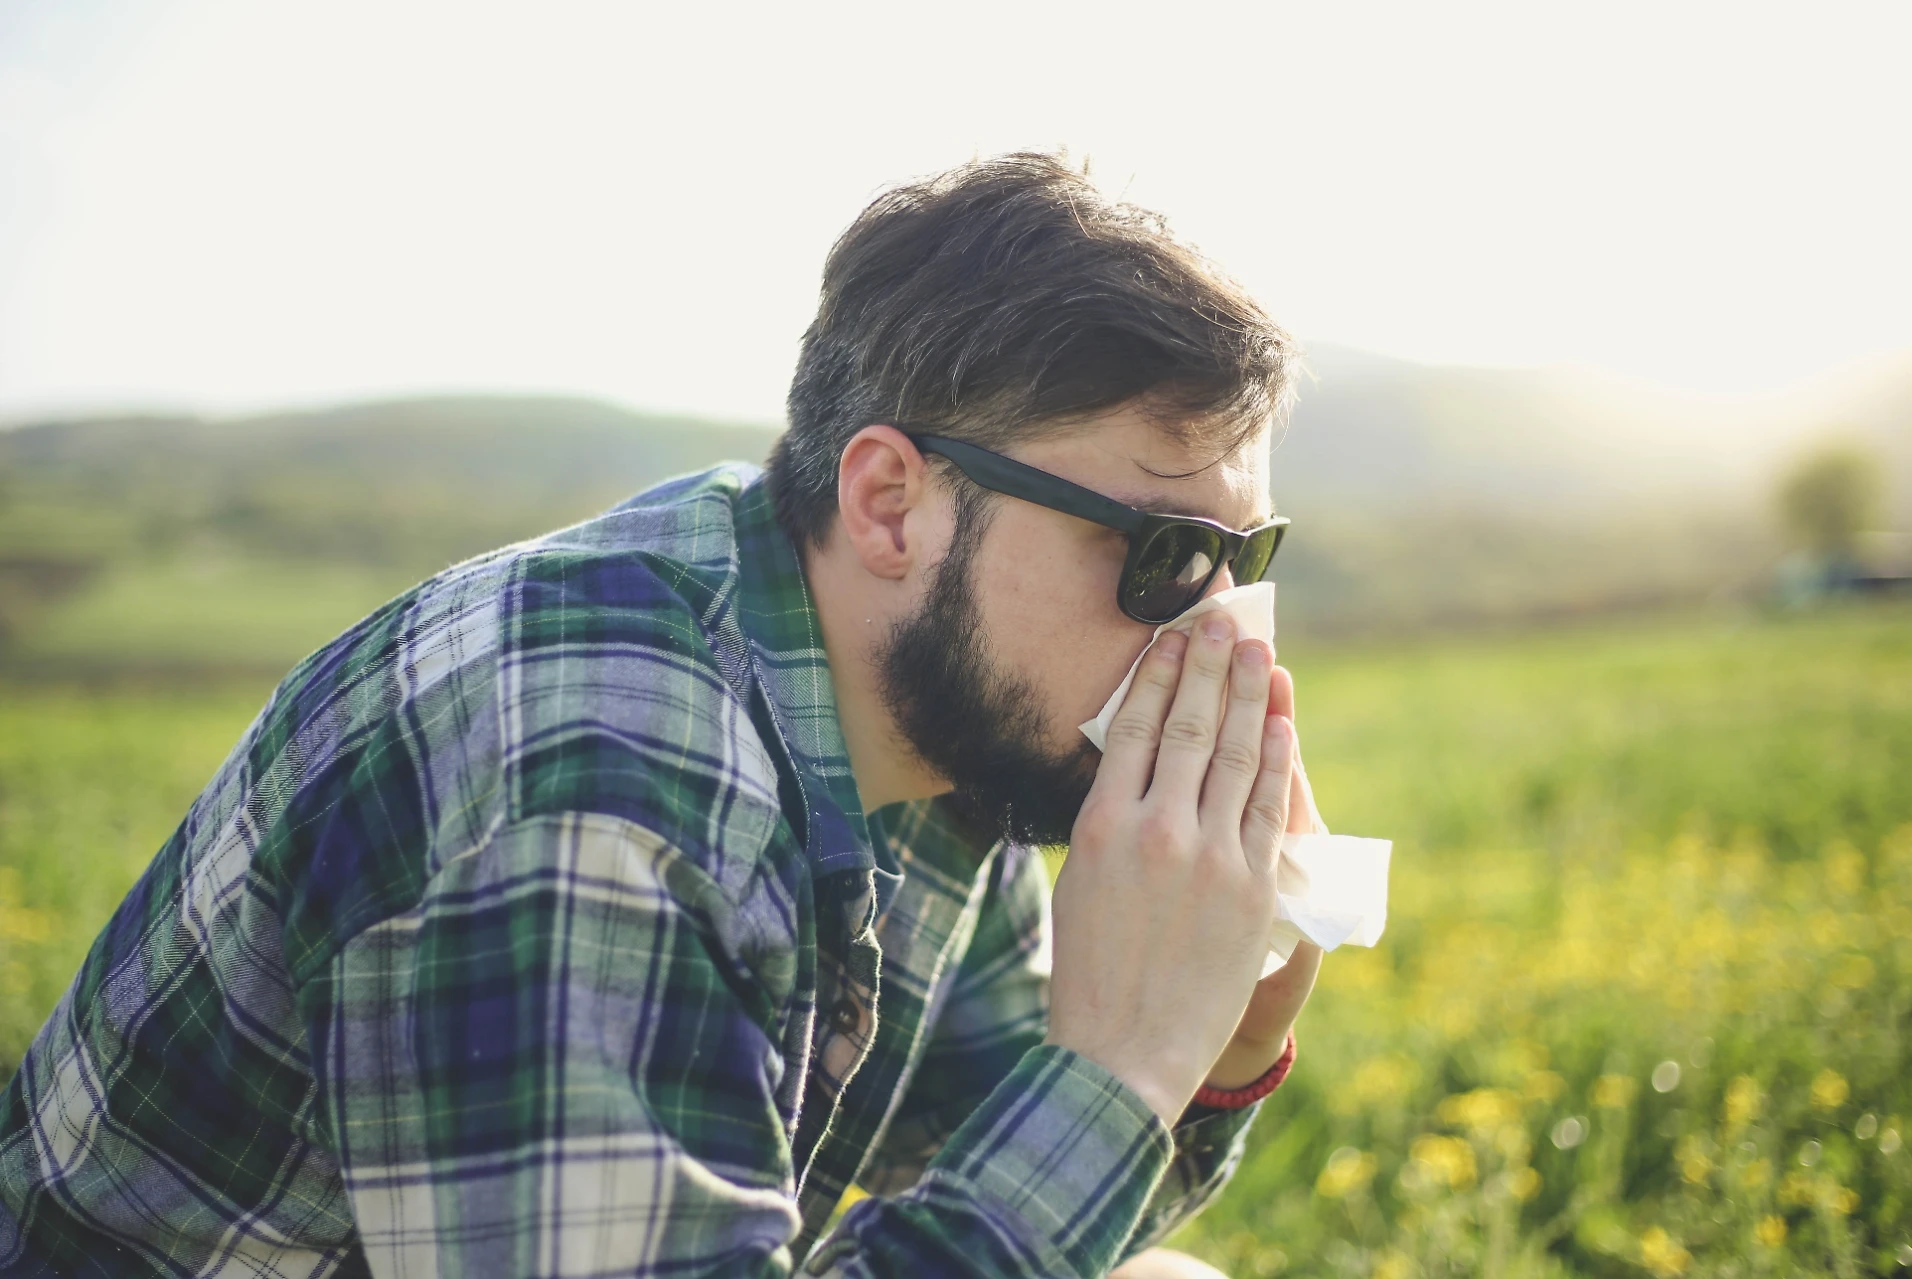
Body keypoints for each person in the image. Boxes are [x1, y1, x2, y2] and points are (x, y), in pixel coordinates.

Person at [0, 152, 1327, 1278]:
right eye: (1159, 552)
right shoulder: (588, 785)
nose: (1208, 631)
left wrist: (1212, 1050)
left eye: (1240, 560)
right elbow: (1070, 1128)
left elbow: (1020, 1160)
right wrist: (1129, 1067)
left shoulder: (932, 713)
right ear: (890, 503)